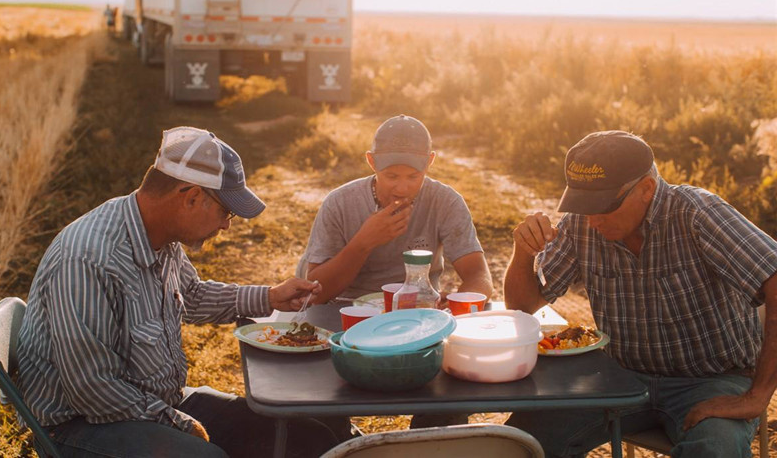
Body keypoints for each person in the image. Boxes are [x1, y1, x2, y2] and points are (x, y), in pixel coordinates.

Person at [17, 127, 345, 458]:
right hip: (83, 425)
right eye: (225, 212)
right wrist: (178, 423)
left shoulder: (160, 235)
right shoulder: (88, 258)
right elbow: (93, 390)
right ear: (190, 197)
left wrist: (270, 297)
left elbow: (192, 295)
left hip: (155, 403)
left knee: (307, 436)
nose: (226, 225)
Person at [504, 130, 777, 457]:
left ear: (646, 189)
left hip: (713, 380)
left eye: (603, 206)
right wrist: (523, 253)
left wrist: (757, 397)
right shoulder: (582, 223)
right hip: (620, 377)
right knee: (520, 442)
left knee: (715, 449)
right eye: (583, 204)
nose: (591, 221)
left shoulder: (698, 213)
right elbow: (523, 306)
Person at [304, 114, 493, 304]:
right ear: (372, 161)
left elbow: (479, 276)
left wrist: (454, 307)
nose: (402, 188)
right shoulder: (340, 203)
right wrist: (364, 242)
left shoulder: (445, 202)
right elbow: (315, 293)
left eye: (413, 177)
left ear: (429, 162)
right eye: (391, 176)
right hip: (348, 309)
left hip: (420, 310)